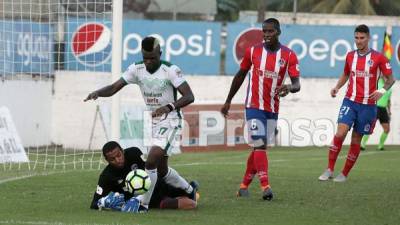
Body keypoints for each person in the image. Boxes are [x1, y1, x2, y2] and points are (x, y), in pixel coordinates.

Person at [85, 36, 196, 212]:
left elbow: (189, 96)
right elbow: (114, 87)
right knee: (161, 169)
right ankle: (190, 189)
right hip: (154, 121)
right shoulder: (136, 69)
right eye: (145, 58)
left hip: (171, 119)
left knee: (151, 160)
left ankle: (142, 204)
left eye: (152, 58)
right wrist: (98, 92)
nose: (148, 62)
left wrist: (169, 107)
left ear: (160, 53)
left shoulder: (170, 70)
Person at [220, 18, 301, 200]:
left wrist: (288, 87)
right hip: (253, 105)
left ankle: (243, 186)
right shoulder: (253, 51)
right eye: (264, 31)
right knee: (259, 144)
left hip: (272, 107)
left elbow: (297, 84)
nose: (266, 35)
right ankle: (266, 187)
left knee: (259, 147)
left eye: (270, 31)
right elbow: (240, 75)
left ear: (278, 32)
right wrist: (228, 100)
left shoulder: (289, 55)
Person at [318, 24, 395, 182]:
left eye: (362, 38)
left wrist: (381, 91)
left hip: (368, 106)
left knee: (356, 140)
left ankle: (344, 173)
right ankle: (329, 169)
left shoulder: (379, 58)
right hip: (350, 101)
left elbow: (391, 79)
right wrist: (337, 87)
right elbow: (346, 73)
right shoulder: (350, 56)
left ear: (368, 38)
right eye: (356, 38)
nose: (358, 41)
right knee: (340, 133)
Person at [90, 141, 198, 211]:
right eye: (112, 159)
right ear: (107, 160)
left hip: (158, 185)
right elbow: (94, 203)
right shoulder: (106, 176)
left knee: (190, 194)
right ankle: (183, 194)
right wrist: (103, 202)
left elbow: (150, 171)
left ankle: (188, 189)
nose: (118, 160)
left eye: (119, 155)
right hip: (149, 201)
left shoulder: (134, 153)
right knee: (191, 204)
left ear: (122, 151)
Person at [361, 76, 392, 151]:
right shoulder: (377, 83)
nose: (385, 77)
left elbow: (388, 101)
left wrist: (389, 111)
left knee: (387, 129)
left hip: (383, 110)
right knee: (369, 127)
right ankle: (362, 144)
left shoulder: (389, 88)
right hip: (375, 107)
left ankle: (380, 146)